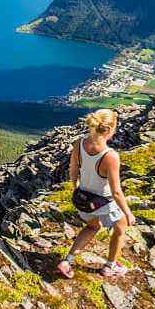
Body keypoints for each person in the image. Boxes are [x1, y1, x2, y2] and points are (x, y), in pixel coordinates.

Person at [57, 109, 136, 279]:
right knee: (120, 228)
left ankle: (67, 260)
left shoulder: (79, 143)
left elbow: (73, 169)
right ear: (109, 130)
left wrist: (75, 187)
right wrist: (128, 212)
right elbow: (116, 191)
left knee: (92, 226)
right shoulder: (110, 156)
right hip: (104, 202)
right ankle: (110, 266)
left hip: (83, 199)